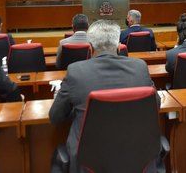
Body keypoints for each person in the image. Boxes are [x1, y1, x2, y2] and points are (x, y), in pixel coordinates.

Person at [48, 19, 157, 173]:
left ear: (90, 47)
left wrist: (80, 110)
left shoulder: (75, 71)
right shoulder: (139, 67)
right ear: (119, 46)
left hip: (88, 162)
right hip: (136, 157)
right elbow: (155, 105)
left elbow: (55, 116)